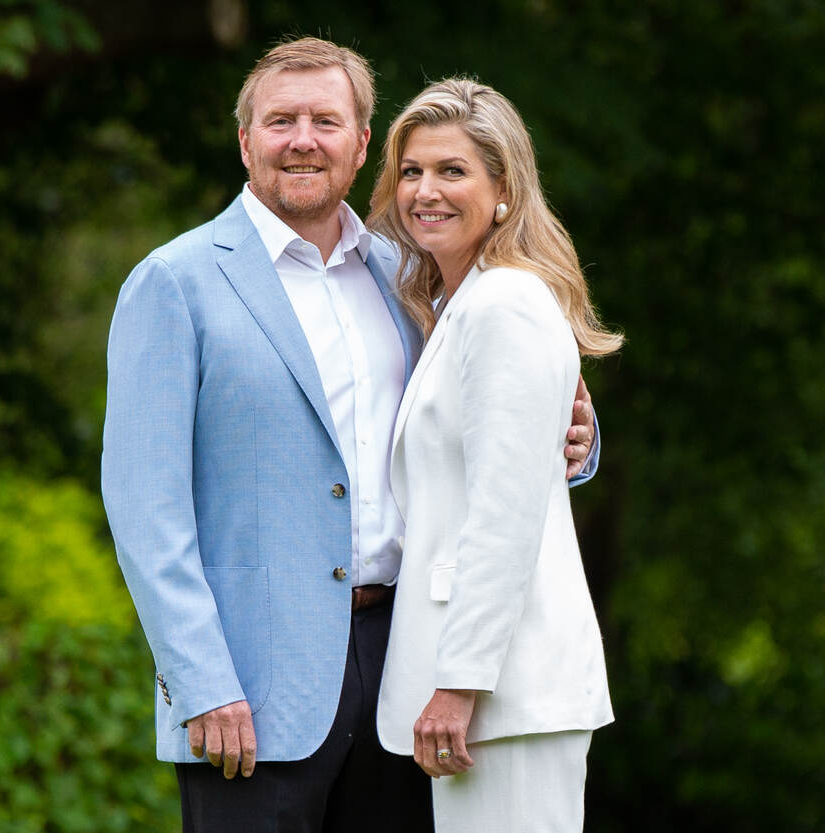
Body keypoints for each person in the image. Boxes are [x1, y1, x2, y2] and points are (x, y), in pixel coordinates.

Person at [101, 40, 599, 833]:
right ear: (245, 140)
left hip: (405, 666)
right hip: (250, 693)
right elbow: (143, 508)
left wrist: (575, 434)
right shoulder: (176, 281)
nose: (303, 139)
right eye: (281, 121)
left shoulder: (409, 273)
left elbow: (476, 427)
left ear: (363, 143)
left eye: (326, 120)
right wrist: (201, 682)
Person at [368, 77, 623, 833]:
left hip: (505, 691)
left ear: (504, 188)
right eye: (411, 171)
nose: (425, 191)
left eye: (453, 171)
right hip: (491, 695)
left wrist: (460, 681)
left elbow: (502, 517)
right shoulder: (459, 304)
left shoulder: (505, 304)